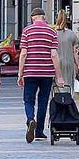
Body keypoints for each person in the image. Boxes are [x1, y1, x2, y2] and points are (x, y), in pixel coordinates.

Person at [18, 8, 64, 142]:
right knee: (43, 101)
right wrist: (59, 75)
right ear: (44, 18)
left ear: (33, 18)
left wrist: (20, 73)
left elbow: (23, 54)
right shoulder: (52, 31)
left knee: (28, 100)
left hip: (30, 72)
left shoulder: (27, 31)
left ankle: (30, 119)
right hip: (47, 72)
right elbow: (54, 54)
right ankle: (39, 131)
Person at [54, 10, 79, 92]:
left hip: (55, 62)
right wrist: (78, 65)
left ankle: (58, 101)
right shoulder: (72, 34)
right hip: (69, 62)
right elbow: (75, 52)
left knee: (56, 85)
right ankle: (67, 101)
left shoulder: (53, 34)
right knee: (68, 84)